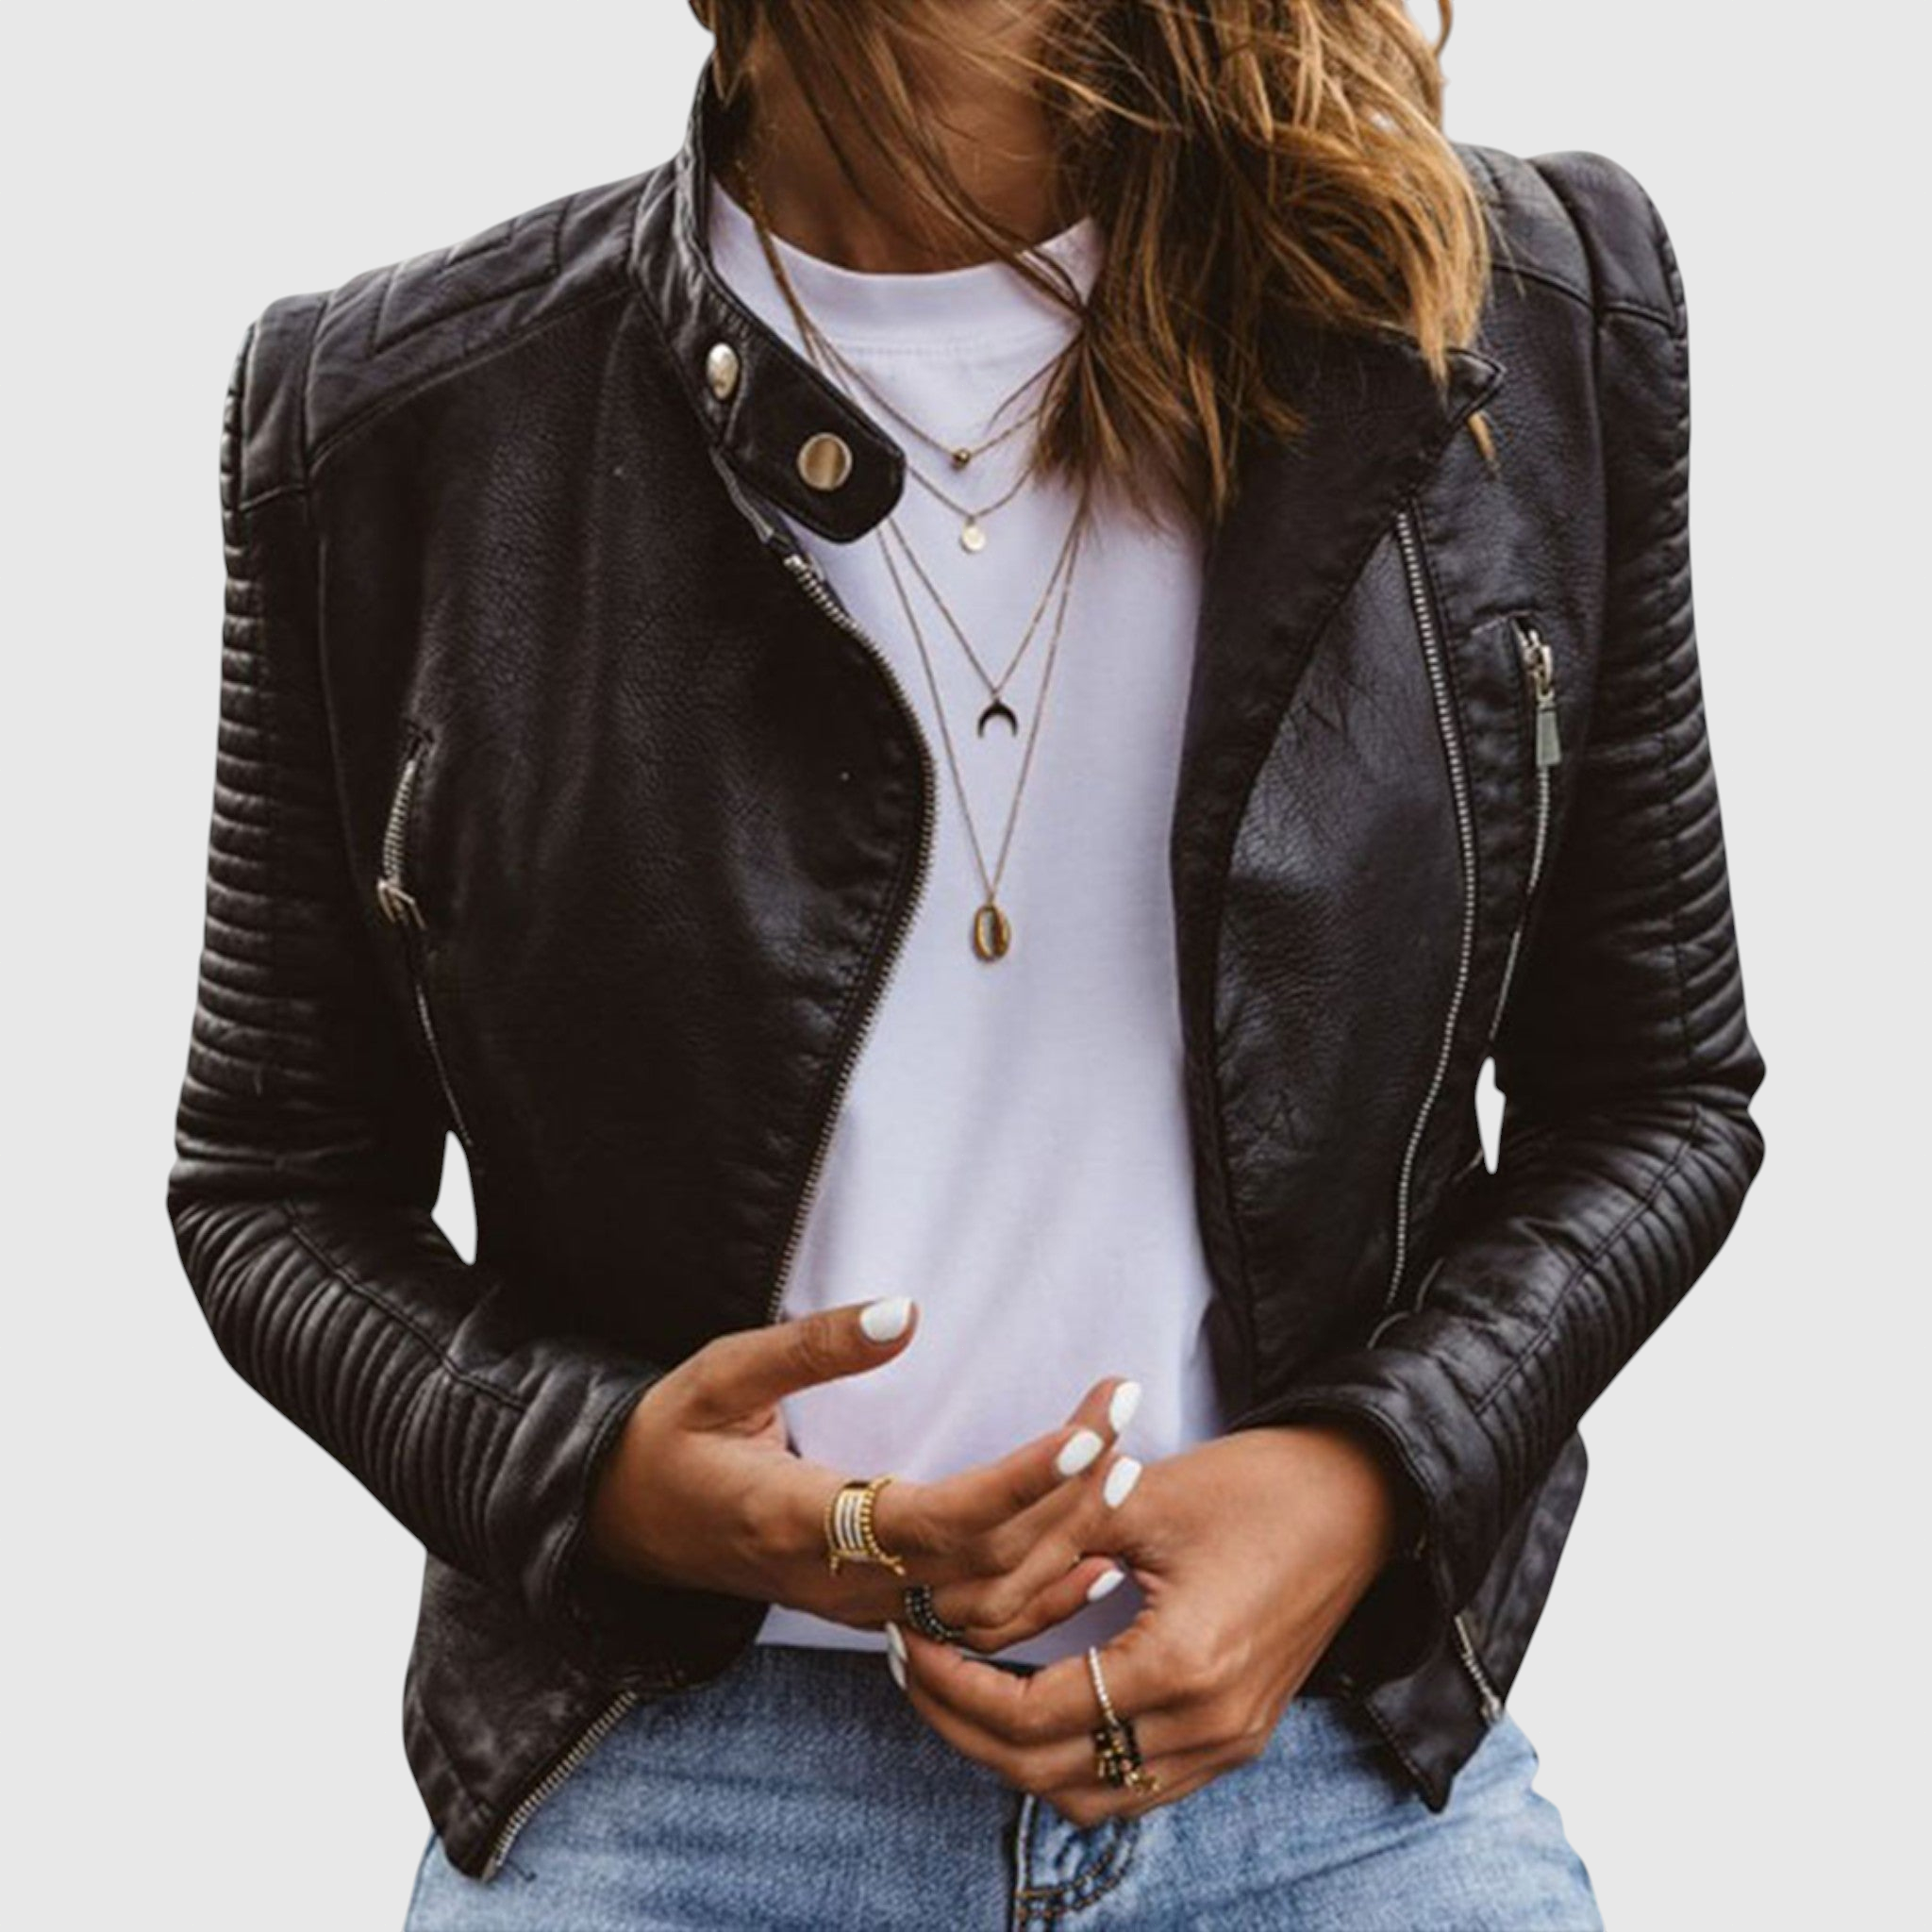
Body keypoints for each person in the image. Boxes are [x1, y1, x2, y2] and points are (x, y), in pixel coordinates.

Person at [164, 2, 1765, 1925]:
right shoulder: (396, 413)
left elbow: (1661, 1091)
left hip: (1339, 1777)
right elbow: (271, 1185)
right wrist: (610, 1475)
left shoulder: (1506, 310)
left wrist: (1361, 1482)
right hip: (672, 1792)